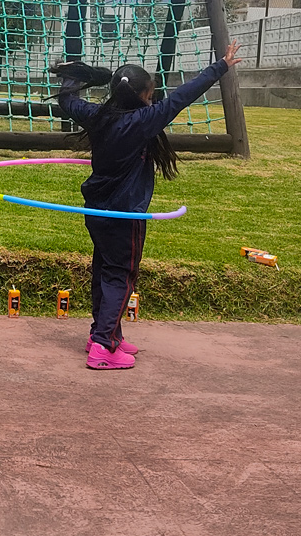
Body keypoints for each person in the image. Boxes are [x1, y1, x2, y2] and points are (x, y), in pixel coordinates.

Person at [51, 41, 242, 370]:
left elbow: (68, 101)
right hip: (125, 216)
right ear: (142, 95)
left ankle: (104, 333)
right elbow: (183, 96)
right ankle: (103, 347)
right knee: (120, 276)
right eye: (150, 94)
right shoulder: (143, 121)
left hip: (97, 212)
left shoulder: (97, 116)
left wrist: (71, 74)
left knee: (105, 271)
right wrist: (220, 66)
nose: (153, 100)